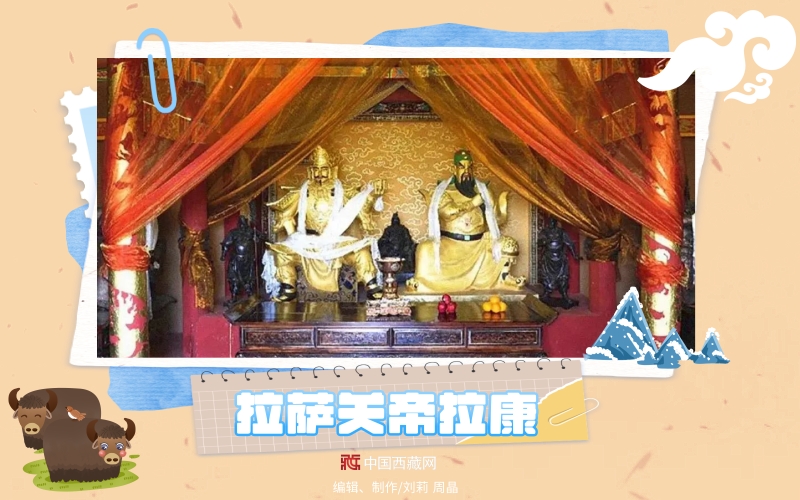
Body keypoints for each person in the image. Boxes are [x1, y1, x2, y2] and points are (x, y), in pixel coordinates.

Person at [263, 146, 385, 302]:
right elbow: (286, 215)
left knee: (362, 252)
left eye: (324, 169)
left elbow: (360, 207)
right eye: (316, 169)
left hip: (336, 242)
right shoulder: (302, 192)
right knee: (281, 252)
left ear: (332, 170)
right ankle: (288, 287)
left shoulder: (342, 191)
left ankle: (371, 284)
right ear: (311, 171)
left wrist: (373, 196)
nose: (320, 173)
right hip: (307, 241)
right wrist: (294, 236)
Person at [407, 150, 525, 293]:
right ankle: (422, 282)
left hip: (480, 244)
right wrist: (473, 203)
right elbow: (448, 213)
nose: (466, 171)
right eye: (462, 166)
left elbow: (496, 220)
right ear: (454, 168)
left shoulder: (483, 191)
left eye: (470, 167)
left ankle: (503, 279)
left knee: (508, 244)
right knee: (425, 248)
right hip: (450, 244)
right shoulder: (443, 191)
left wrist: (498, 202)